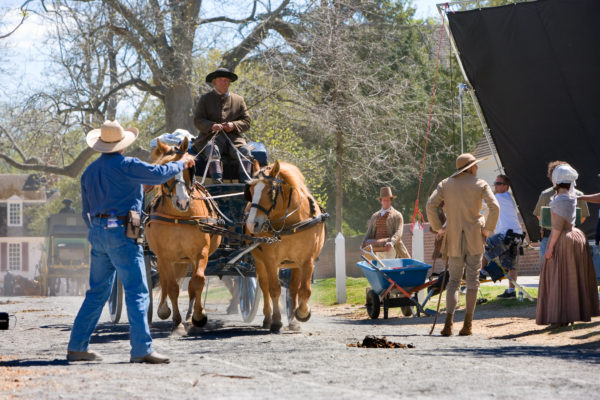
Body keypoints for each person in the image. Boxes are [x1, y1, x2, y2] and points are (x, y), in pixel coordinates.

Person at [67, 120, 196, 364]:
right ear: (122, 144)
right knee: (137, 291)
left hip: (97, 231)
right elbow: (159, 174)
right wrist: (181, 162)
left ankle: (77, 346)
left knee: (96, 293)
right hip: (122, 232)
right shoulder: (127, 164)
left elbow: (87, 210)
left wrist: (99, 230)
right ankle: (141, 349)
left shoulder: (90, 171)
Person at [426, 153, 499, 336]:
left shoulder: (445, 184)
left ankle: (448, 324)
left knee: (453, 281)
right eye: (476, 165)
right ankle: (467, 325)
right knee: (473, 280)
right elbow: (495, 207)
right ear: (471, 167)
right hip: (475, 237)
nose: (477, 168)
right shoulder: (480, 184)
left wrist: (438, 228)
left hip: (453, 239)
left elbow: (430, 205)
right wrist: (488, 228)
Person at [536, 164, 599, 327]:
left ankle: (560, 316)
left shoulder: (560, 199)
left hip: (563, 238)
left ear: (556, 181)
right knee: (572, 276)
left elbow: (556, 227)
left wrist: (550, 247)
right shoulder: (571, 197)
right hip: (575, 236)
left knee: (559, 276)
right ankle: (572, 312)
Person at [191, 67, 252, 183]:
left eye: (226, 80)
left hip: (234, 138)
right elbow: (198, 120)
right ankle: (217, 180)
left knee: (245, 151)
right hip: (211, 137)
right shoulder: (205, 99)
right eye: (221, 80)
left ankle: (245, 182)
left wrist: (233, 125)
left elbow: (247, 121)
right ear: (214, 82)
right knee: (212, 149)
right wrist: (212, 126)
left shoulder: (239, 100)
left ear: (229, 82)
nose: (224, 82)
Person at [533, 161, 589, 268]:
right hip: (566, 235)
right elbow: (581, 218)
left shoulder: (572, 195)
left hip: (556, 236)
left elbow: (541, 217)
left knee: (550, 270)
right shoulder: (547, 194)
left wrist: (557, 227)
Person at [482, 175, 525, 298]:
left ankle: (483, 271)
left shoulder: (499, 197)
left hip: (507, 235)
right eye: (495, 183)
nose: (495, 185)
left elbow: (482, 202)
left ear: (506, 186)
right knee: (512, 264)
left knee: (484, 246)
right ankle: (511, 292)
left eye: (498, 183)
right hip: (517, 235)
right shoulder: (507, 197)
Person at [361, 187, 410, 260]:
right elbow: (369, 232)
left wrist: (392, 242)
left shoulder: (397, 215)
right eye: (384, 200)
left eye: (388, 200)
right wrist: (363, 243)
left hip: (391, 248)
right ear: (381, 201)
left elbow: (399, 232)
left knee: (392, 267)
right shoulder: (374, 216)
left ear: (391, 200)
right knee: (375, 267)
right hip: (376, 249)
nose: (386, 202)